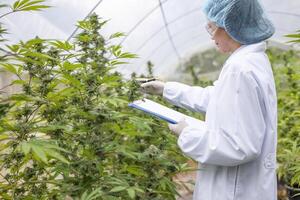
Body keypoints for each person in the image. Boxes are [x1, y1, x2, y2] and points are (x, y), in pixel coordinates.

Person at [141, 0, 277, 199]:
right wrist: (167, 89)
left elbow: (240, 146)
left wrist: (187, 134)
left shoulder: (241, 69)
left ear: (231, 25)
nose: (211, 35)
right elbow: (218, 99)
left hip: (234, 191)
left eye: (212, 27)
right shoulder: (250, 61)